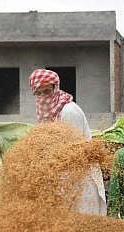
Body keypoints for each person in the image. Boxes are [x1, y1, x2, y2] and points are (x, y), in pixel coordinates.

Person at [29, 68, 106, 216]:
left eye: (46, 92)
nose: (42, 97)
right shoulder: (50, 115)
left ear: (55, 89)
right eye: (38, 93)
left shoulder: (68, 111)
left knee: (82, 228)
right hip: (65, 178)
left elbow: (73, 153)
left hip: (82, 178)